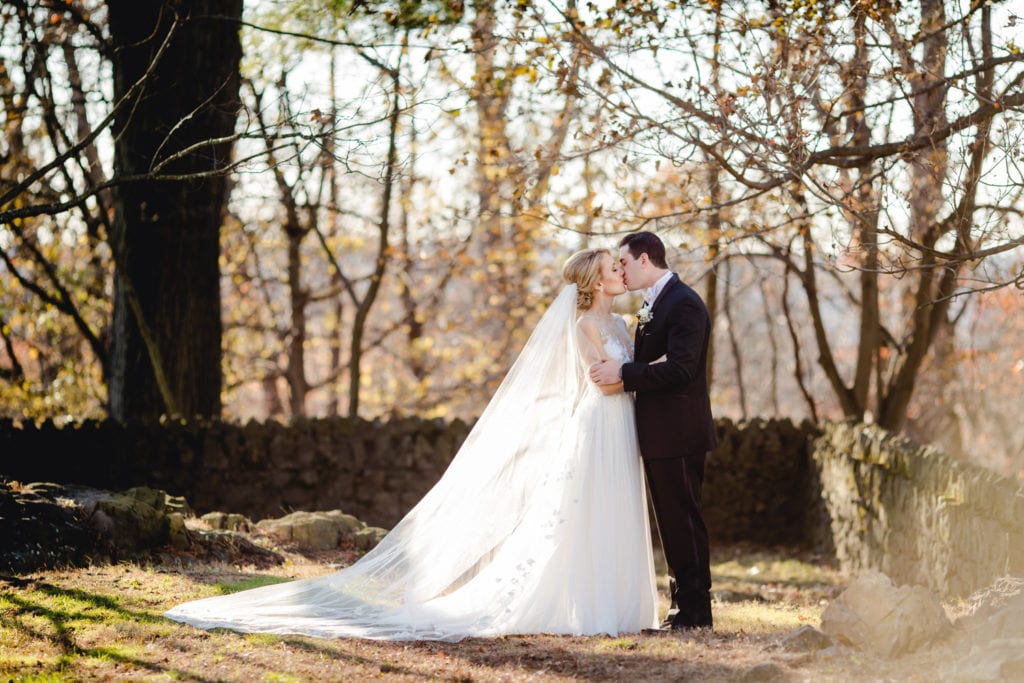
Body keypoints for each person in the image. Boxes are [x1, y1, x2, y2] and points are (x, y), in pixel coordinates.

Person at [165, 248, 658, 641]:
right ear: (594, 282)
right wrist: (634, 376)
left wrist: (632, 375)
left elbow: (619, 376)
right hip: (600, 421)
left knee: (614, 506)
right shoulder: (586, 325)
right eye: (611, 268)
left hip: (622, 422)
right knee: (589, 508)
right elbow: (603, 383)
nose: (619, 271)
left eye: (619, 267)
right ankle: (590, 605)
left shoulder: (619, 324)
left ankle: (620, 601)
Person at [589, 231, 717, 631]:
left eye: (623, 262)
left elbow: (681, 368)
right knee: (673, 522)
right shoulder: (653, 304)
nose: (621, 271)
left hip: (679, 431)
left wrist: (623, 373)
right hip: (661, 433)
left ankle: (694, 614)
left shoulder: (684, 304)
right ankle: (684, 611)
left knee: (683, 520)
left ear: (645, 259)